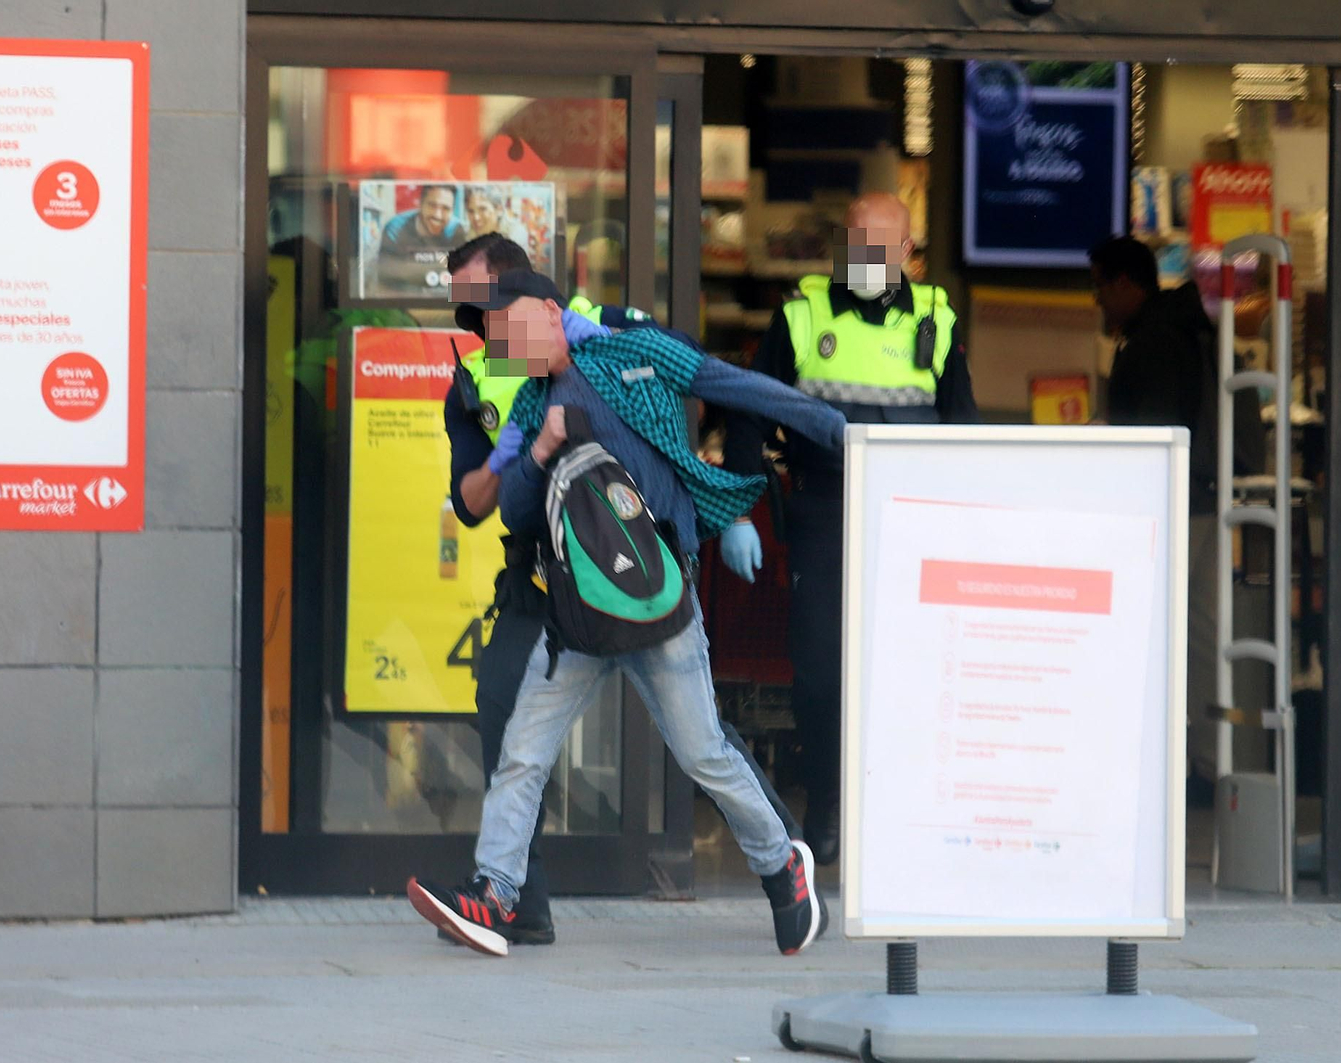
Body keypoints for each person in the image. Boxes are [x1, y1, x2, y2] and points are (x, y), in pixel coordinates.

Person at [410, 267, 843, 958]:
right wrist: (540, 450)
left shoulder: (634, 352)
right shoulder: (527, 404)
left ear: (552, 312)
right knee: (524, 751)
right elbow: (517, 512)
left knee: (703, 751)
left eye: (515, 327)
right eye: (498, 340)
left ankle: (780, 863)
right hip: (579, 612)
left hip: (660, 598)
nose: (510, 346)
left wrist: (832, 426)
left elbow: (733, 385)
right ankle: (494, 893)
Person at [721, 192, 979, 867]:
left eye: (880, 243)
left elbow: (964, 430)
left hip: (913, 514)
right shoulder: (803, 316)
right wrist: (741, 507)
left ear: (905, 254)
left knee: (911, 669)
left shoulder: (937, 321)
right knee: (820, 670)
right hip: (825, 509)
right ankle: (828, 803)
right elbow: (746, 410)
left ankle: (900, 809)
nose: (865, 254)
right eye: (856, 239)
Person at [1088, 236, 1263, 802]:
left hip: (1172, 507)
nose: (1097, 302)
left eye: (1100, 287)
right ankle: (1212, 762)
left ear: (1123, 284)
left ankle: (1175, 765)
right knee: (1204, 633)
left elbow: (1151, 437)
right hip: (1206, 500)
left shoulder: (1153, 341)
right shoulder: (1185, 327)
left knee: (1160, 635)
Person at [376, 184, 467, 292]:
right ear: (420, 204)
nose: (438, 215)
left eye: (446, 208)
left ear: (452, 211)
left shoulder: (455, 230)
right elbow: (386, 279)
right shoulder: (395, 229)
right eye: (432, 205)